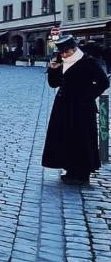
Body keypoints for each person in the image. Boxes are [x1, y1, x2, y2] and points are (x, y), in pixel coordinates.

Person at [42, 34, 110, 184]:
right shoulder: (61, 62)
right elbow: (54, 84)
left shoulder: (88, 62)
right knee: (65, 138)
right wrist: (53, 70)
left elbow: (104, 82)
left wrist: (87, 96)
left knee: (82, 139)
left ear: (74, 49)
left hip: (82, 108)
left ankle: (82, 174)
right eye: (62, 52)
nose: (64, 55)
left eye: (67, 52)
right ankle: (70, 170)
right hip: (63, 107)